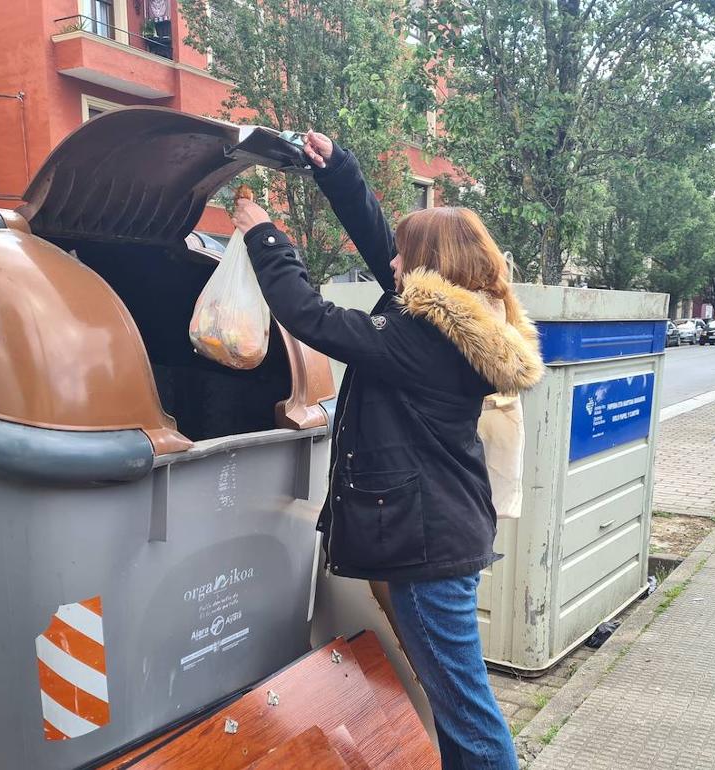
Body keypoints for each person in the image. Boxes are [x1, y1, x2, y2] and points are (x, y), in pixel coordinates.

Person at [232, 130, 543, 770]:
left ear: (431, 268)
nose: (392, 266)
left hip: (428, 551)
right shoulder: (463, 320)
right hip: (442, 537)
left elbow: (311, 316)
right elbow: (382, 244)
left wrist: (265, 236)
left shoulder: (422, 340)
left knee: (467, 709)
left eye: (404, 259)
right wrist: (338, 171)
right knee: (455, 703)